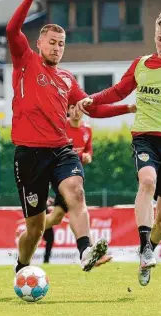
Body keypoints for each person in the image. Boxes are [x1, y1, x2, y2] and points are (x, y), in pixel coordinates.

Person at [6, 0, 136, 274]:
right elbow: (12, 30)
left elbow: (94, 107)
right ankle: (23, 265)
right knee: (36, 229)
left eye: (61, 44)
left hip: (62, 151)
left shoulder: (67, 80)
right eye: (52, 42)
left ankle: (85, 250)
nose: (57, 48)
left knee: (75, 192)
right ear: (38, 43)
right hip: (29, 155)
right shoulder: (25, 60)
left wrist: (126, 107)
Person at [75, 12, 161, 285]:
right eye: (160, 38)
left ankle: (148, 252)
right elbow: (118, 91)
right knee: (147, 180)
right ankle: (145, 246)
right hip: (145, 137)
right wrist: (92, 98)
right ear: (155, 36)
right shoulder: (141, 65)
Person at [43, 105, 111, 265]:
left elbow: (89, 152)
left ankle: (30, 229)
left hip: (75, 179)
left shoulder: (87, 129)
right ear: (67, 110)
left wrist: (87, 157)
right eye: (72, 107)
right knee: (80, 207)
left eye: (79, 108)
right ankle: (91, 251)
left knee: (55, 217)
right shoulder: (60, 127)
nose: (76, 111)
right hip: (62, 179)